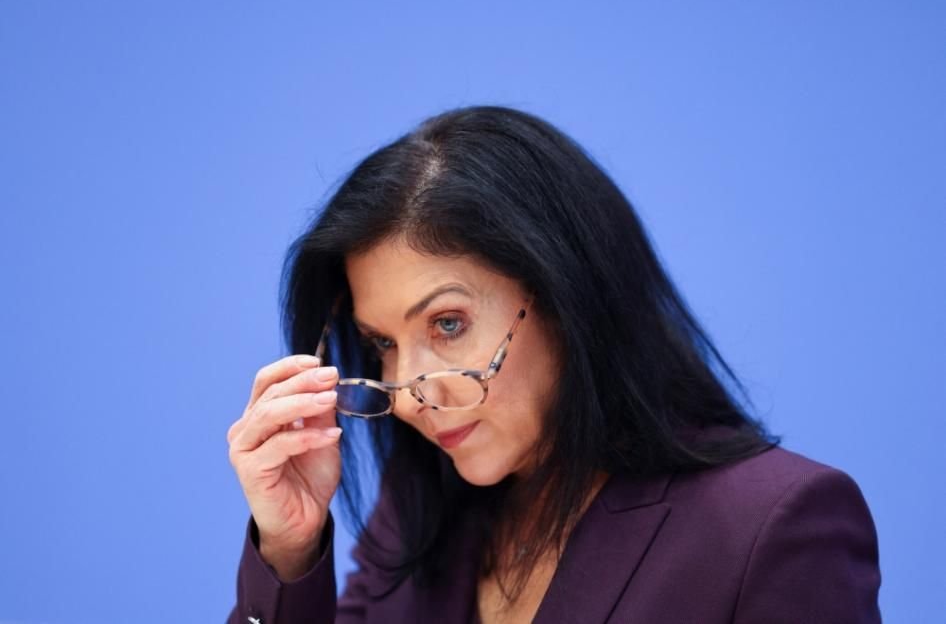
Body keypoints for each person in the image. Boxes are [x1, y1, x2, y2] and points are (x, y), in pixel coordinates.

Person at [226, 106, 881, 623]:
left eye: (448, 324)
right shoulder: (416, 512)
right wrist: (288, 551)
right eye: (382, 345)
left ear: (566, 300)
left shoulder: (772, 525)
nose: (405, 395)